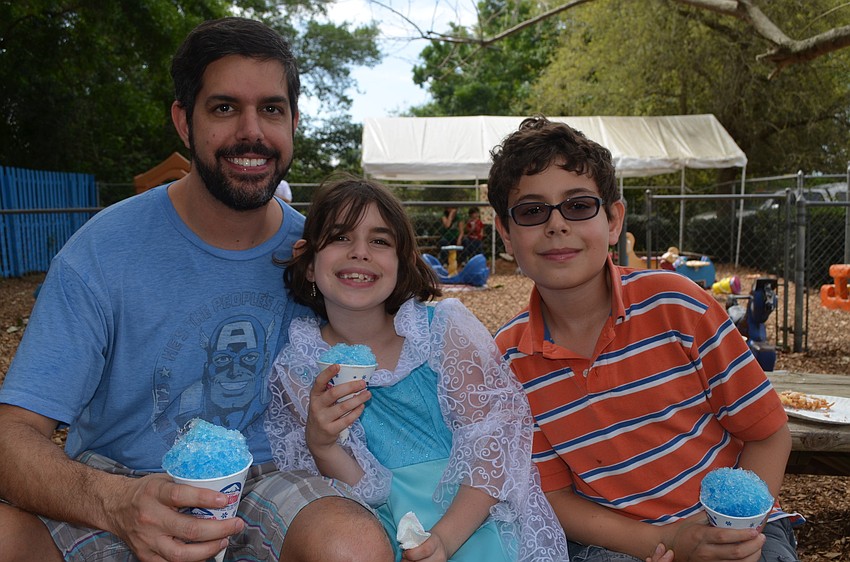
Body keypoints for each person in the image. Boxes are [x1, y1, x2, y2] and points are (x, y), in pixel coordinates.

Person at [0, 17, 392, 562]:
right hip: (119, 481)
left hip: (267, 478)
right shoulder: (101, 252)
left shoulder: (322, 258)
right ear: (184, 122)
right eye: (225, 107)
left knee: (354, 545)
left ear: (295, 121)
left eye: (272, 109)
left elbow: (406, 348)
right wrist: (117, 503)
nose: (252, 132)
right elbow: (12, 431)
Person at [486, 116, 801, 562]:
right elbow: (556, 497)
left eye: (577, 205)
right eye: (532, 211)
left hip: (737, 524)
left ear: (614, 220)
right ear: (506, 233)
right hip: (614, 542)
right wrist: (670, 543)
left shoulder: (677, 305)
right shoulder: (506, 361)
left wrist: (729, 533)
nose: (556, 225)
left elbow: (768, 434)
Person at [263, 174, 568, 562]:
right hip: (381, 528)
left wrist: (443, 539)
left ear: (401, 261)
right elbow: (362, 490)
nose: (360, 252)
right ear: (309, 264)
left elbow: (494, 447)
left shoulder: (441, 332)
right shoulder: (302, 366)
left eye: (379, 241)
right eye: (340, 237)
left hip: (474, 517)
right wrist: (322, 444)